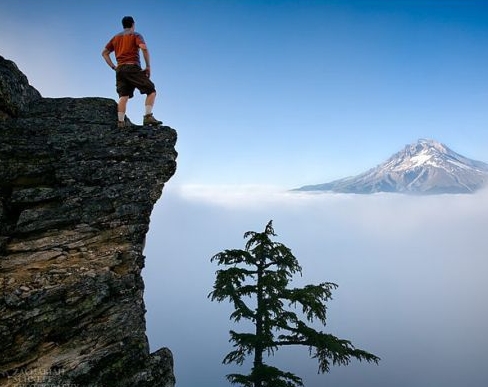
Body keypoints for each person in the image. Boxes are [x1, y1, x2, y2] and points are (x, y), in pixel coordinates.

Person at [102, 16, 162, 128]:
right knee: (151, 90)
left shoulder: (115, 38)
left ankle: (120, 123)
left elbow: (104, 53)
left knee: (123, 96)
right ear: (133, 24)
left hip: (119, 69)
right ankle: (148, 116)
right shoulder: (135, 35)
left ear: (123, 25)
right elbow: (143, 48)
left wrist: (113, 66)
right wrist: (148, 66)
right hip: (132, 67)